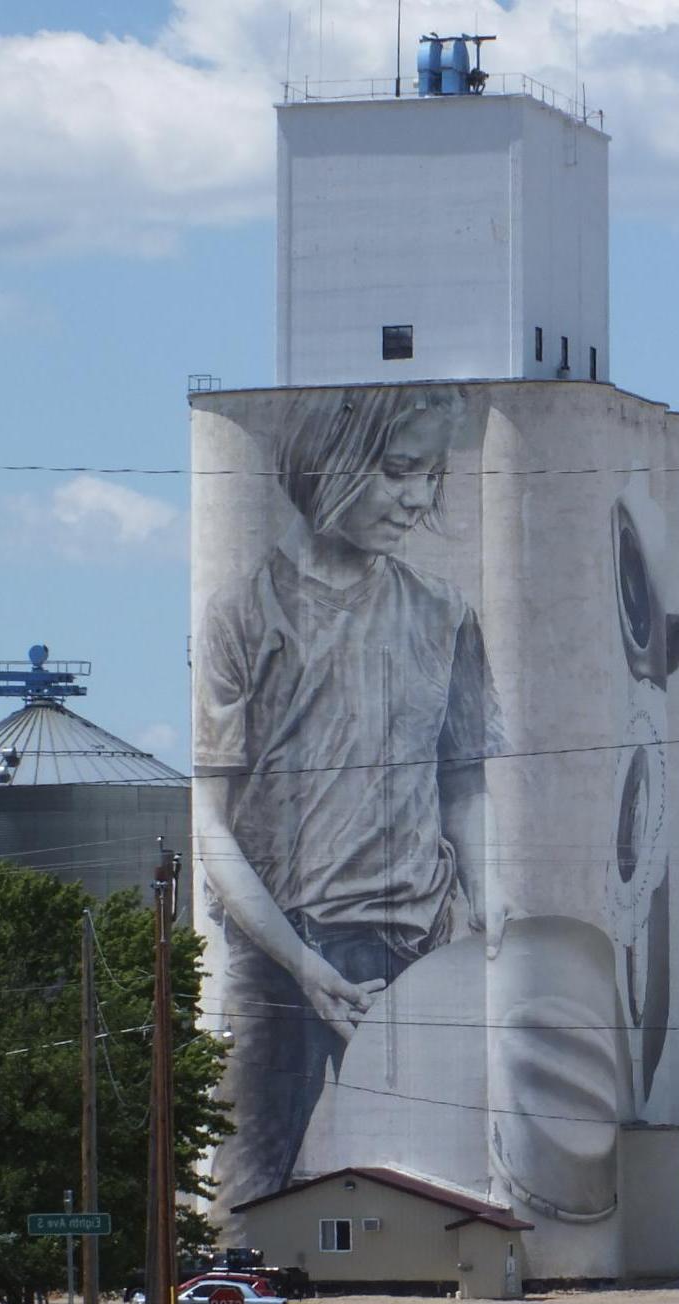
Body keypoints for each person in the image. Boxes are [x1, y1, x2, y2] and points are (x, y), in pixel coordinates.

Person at [196, 385, 506, 1208]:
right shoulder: (240, 614)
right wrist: (302, 967)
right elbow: (209, 824)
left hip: (419, 952)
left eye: (431, 476)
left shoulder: (443, 613)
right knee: (240, 1196)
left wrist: (490, 924)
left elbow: (465, 787)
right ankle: (234, 1299)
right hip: (279, 958)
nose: (417, 498)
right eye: (399, 469)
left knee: (450, 1189)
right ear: (326, 462)